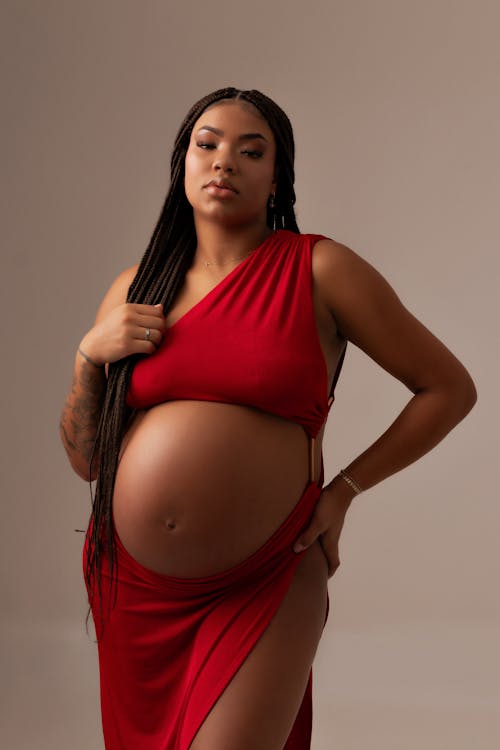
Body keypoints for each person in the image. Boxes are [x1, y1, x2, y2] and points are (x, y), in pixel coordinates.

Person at [59, 86, 477, 750]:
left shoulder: (321, 270)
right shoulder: (136, 289)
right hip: (134, 589)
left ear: (276, 177)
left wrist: (345, 491)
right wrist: (88, 356)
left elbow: (448, 388)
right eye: (208, 144)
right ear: (184, 164)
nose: (225, 161)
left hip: (264, 577)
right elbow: (87, 459)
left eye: (251, 151)